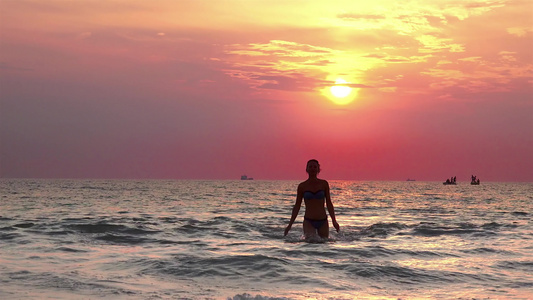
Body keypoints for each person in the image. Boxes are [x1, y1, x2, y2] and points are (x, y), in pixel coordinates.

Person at [284, 159, 340, 239]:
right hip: (308, 221)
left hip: (323, 220)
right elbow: (297, 206)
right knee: (310, 243)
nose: (312, 168)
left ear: (318, 169)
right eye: (310, 167)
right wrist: (290, 225)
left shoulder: (324, 184)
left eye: (315, 167)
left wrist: (334, 221)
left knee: (324, 244)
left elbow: (329, 203)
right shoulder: (302, 186)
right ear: (307, 169)